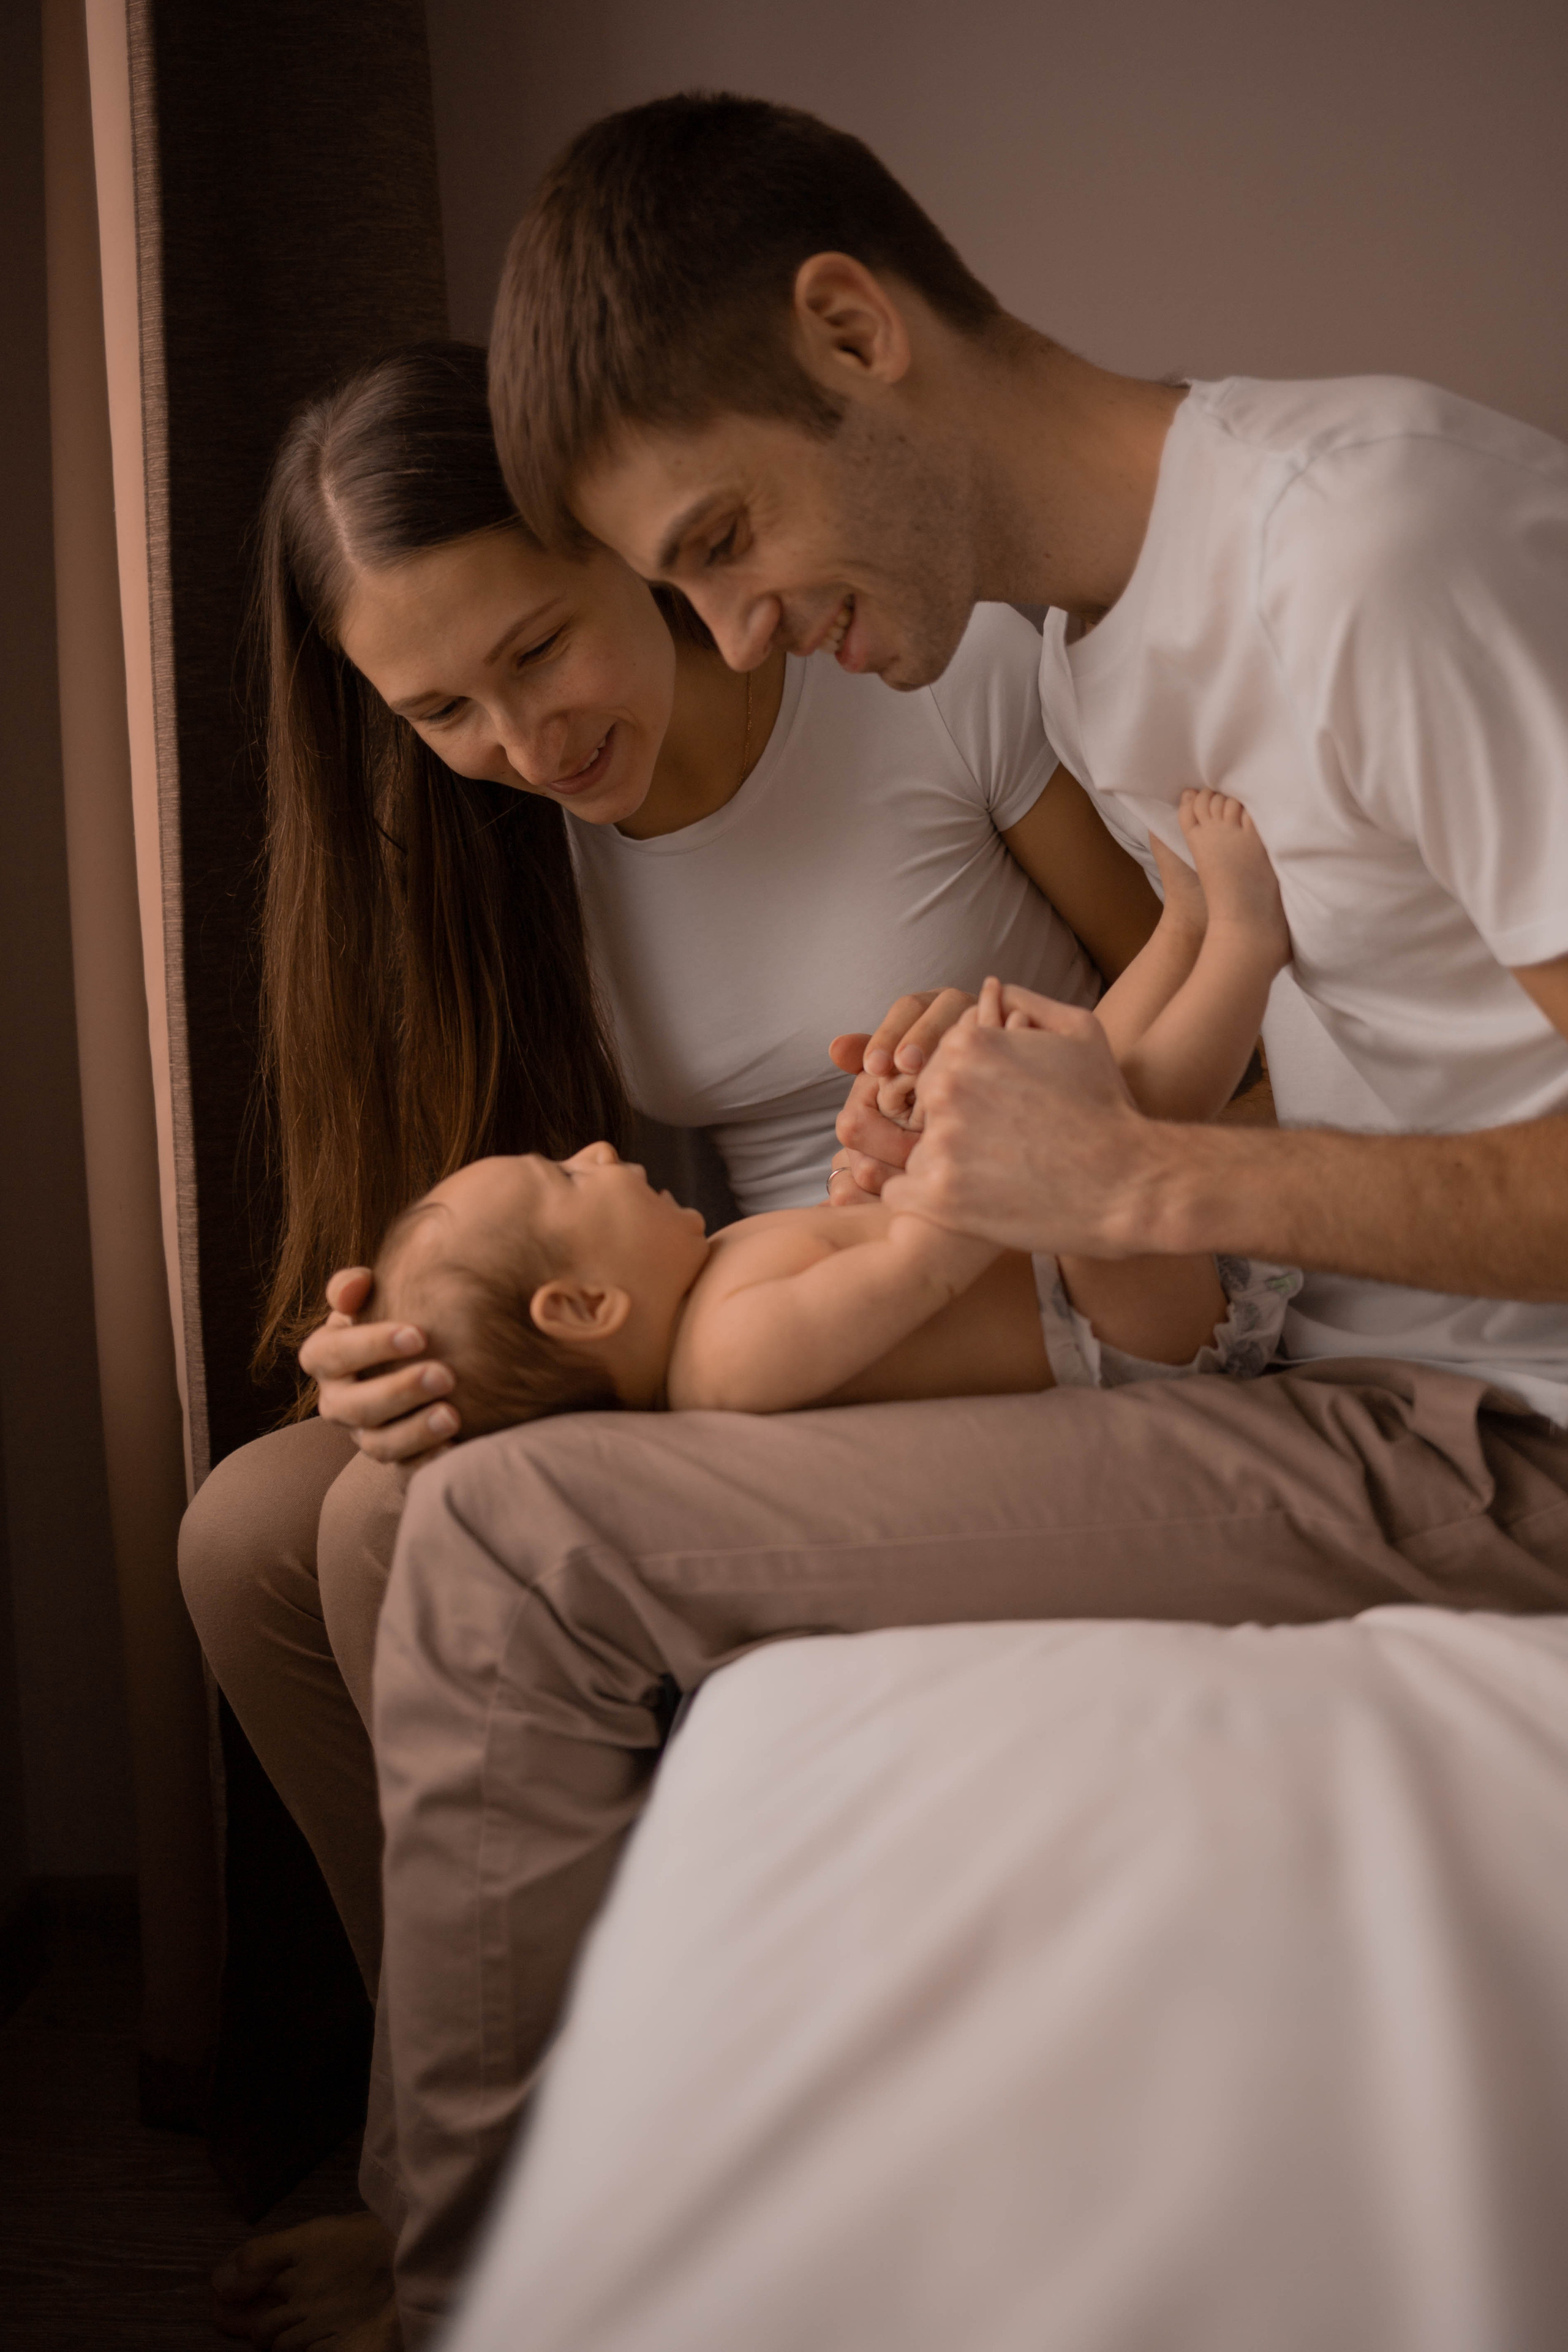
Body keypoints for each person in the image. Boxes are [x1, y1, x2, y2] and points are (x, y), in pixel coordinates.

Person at [360, 92, 1568, 2343]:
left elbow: (1215, 1165)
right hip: (1334, 1370)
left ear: (852, 326)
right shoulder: (1112, 654)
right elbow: (1334, 1054)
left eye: (724, 536)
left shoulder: (1378, 547)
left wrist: (1126, 1171)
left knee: (519, 1548)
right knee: (428, 1504)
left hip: (1500, 1443)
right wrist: (1025, 1087)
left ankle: (474, 2306)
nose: (734, 628)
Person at [185, 338, 1161, 2350]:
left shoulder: (925, 685)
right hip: (741, 1304)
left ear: (627, 546)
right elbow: (519, 1226)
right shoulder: (479, 840)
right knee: (249, 1531)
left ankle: (526, 2192)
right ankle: (456, 2130)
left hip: (951, 1302)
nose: (518, 738)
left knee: (399, 1544)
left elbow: (1195, 1034)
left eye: (535, 651)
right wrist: (380, 1354)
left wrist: (1011, 1086)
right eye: (437, 706)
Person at [367, 802, 1297, 1430]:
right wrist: (966, 1143)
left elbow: (868, 1250)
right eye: (564, 1180)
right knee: (1104, 1126)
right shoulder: (729, 1359)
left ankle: (1181, 929)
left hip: (1066, 1280)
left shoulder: (713, 1293)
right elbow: (921, 1270)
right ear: (583, 1307)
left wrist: (889, 1166)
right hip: (1128, 1346)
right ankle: (1247, 945)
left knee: (1087, 1092)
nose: (599, 1149)